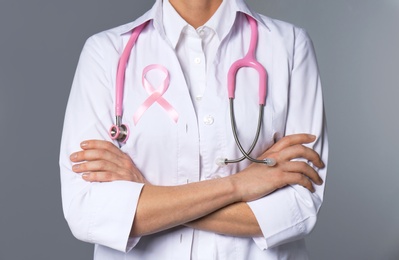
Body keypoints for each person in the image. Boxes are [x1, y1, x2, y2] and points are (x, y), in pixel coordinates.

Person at [60, 0, 328, 259]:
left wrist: (147, 195)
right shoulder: (106, 52)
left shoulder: (288, 45)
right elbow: (88, 211)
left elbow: (298, 209)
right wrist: (237, 186)